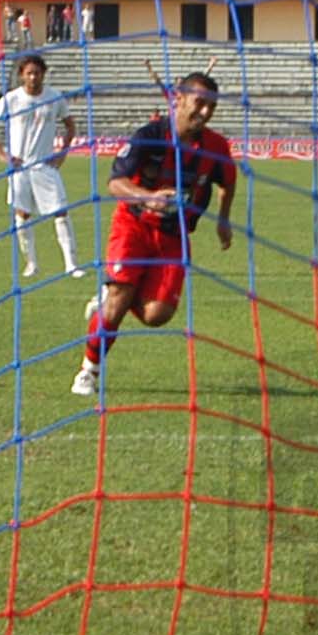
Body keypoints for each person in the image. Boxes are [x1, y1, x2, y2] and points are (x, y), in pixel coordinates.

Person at [71, 73, 236, 397]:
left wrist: (223, 220)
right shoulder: (150, 135)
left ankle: (116, 293)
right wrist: (146, 197)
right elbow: (115, 183)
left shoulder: (216, 146)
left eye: (211, 107)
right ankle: (89, 371)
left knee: (156, 315)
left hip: (174, 236)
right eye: (199, 103)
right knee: (118, 302)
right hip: (133, 224)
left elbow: (228, 181)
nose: (204, 112)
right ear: (179, 98)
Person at [0, 52, 83, 279]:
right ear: (21, 76)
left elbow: (70, 127)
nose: (33, 77)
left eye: (37, 73)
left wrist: (61, 154)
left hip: (44, 166)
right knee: (22, 215)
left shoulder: (54, 97)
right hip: (18, 167)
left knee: (61, 213)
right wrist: (2, 155)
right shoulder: (12, 99)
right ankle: (31, 263)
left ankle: (71, 264)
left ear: (43, 74)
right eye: (29, 73)